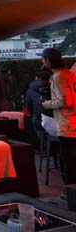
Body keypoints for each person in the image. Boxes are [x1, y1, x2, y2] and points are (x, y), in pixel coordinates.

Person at [40, 48, 76, 189]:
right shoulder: (70, 74)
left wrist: (46, 104)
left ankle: (70, 194)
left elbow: (65, 101)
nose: (42, 62)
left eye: (43, 59)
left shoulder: (58, 77)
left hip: (66, 125)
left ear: (48, 60)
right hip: (73, 122)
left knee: (68, 163)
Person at [25, 68, 52, 135]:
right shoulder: (53, 87)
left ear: (36, 78)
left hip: (38, 119)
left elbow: (29, 107)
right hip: (54, 120)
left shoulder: (30, 91)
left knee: (42, 140)